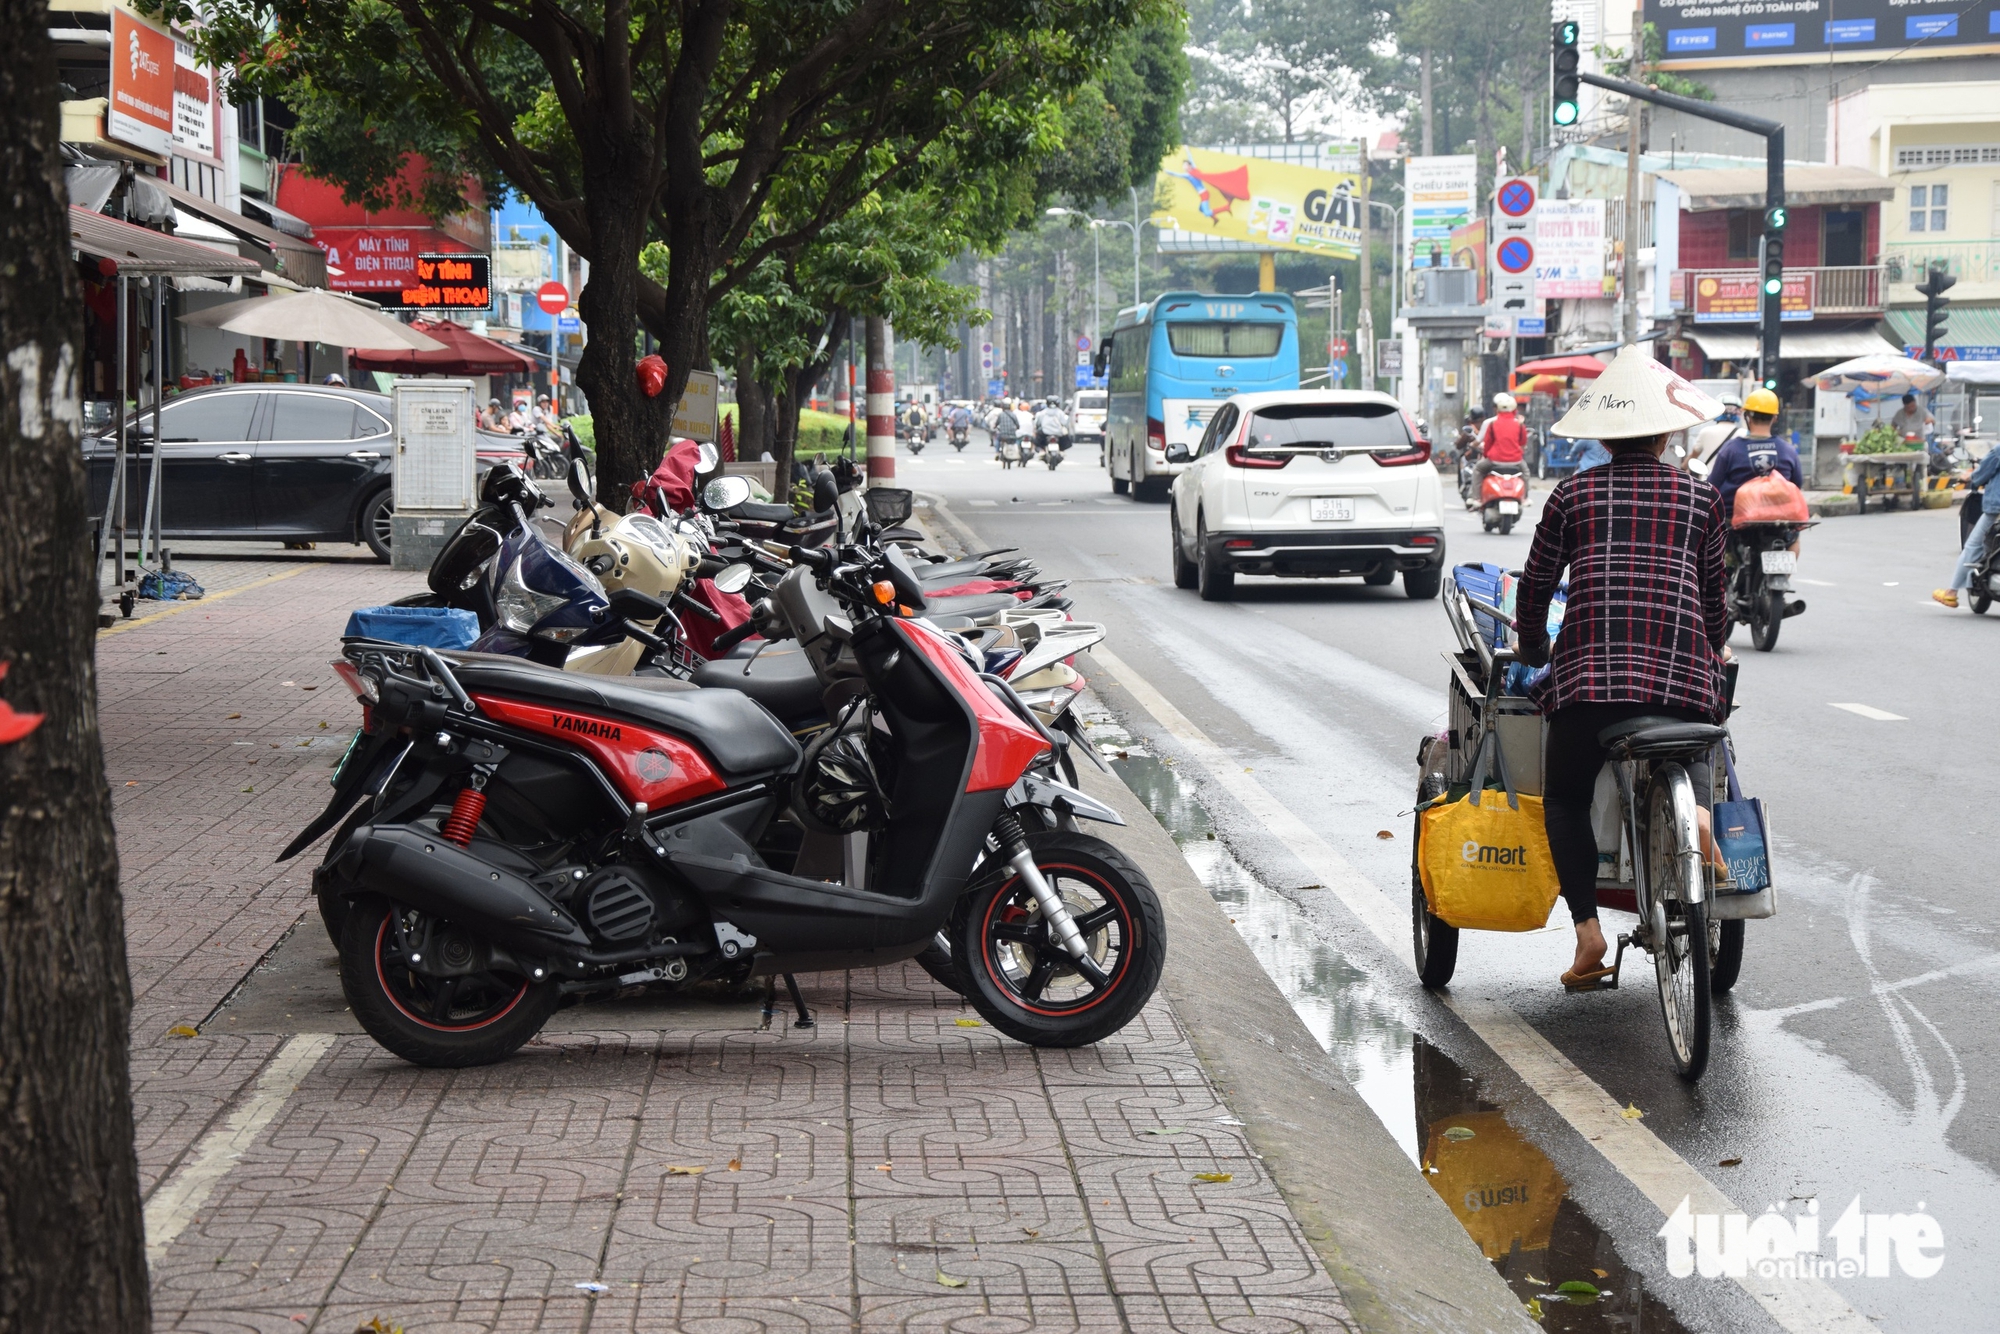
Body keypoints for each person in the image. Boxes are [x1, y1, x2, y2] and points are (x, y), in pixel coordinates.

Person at [1513, 345, 1731, 990]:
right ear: (1667, 431)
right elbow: (1716, 606)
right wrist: (1707, 649)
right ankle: (1694, 815)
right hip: (1681, 679)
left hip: (1589, 682)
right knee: (1692, 755)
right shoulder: (1700, 498)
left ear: (1603, 434)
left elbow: (1535, 587)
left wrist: (1533, 652)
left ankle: (1587, 935)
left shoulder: (1574, 494)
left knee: (1566, 797)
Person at [1706, 387, 1803, 520]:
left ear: (1747, 416)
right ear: (1775, 418)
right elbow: (1797, 485)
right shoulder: (1788, 450)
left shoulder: (1730, 449)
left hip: (1735, 521)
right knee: (1793, 539)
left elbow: (1713, 486)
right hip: (1779, 522)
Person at [1933, 446, 2000, 608]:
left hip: (1996, 509)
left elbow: (1981, 474)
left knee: (1972, 546)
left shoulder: (1998, 451)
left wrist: (1969, 477)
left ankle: (1951, 593)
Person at [1473, 391, 1527, 496]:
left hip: (1495, 460)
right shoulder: (1520, 425)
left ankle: (1476, 498)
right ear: (1515, 410)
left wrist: (1485, 456)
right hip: (1516, 461)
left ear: (1496, 409)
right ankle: (1525, 497)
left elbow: (1487, 444)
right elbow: (1523, 443)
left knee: (1478, 469)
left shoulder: (1492, 424)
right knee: (1526, 473)